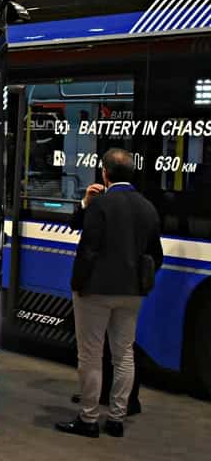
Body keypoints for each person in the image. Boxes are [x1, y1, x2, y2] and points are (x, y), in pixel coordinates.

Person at [56, 148, 162, 438]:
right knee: (123, 354)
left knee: (90, 354)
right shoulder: (148, 207)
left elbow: (86, 247)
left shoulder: (100, 205)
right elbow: (156, 255)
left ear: (104, 173)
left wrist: (78, 283)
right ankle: (116, 419)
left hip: (96, 290)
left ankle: (89, 418)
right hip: (132, 292)